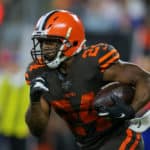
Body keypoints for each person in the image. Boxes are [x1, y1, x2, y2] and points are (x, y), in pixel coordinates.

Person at [25, 9, 150, 150]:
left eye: (51, 42)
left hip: (119, 138)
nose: (44, 48)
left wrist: (131, 109)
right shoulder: (41, 73)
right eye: (42, 42)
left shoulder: (93, 61)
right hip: (87, 145)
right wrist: (34, 101)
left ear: (72, 41)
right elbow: (36, 130)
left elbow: (145, 80)